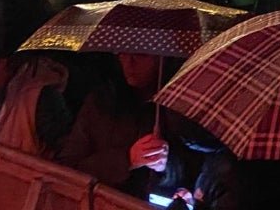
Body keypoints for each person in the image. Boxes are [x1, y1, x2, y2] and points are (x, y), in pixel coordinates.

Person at [59, 53, 194, 198]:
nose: (129, 63)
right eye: (123, 54)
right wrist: (127, 159)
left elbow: (190, 174)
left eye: (141, 55)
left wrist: (166, 167)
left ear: (162, 58)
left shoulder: (179, 106)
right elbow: (68, 168)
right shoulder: (101, 101)